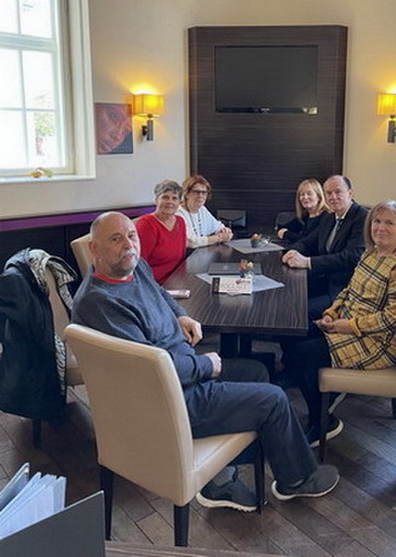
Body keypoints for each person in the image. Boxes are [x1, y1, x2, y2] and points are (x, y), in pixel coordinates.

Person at [72, 212, 339, 511]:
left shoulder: (135, 267)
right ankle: (298, 480)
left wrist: (181, 315)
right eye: (115, 239)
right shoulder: (100, 302)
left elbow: (160, 293)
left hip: (181, 372)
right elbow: (151, 372)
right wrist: (205, 366)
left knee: (256, 371)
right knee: (274, 399)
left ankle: (220, 478)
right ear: (94, 249)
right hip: (168, 400)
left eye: (131, 235)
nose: (128, 244)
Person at [290, 201, 396, 446]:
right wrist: (331, 313)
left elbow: (395, 318)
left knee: (303, 354)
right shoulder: (370, 254)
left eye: (389, 223)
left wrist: (347, 326)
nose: (380, 227)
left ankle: (322, 421)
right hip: (348, 327)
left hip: (377, 344)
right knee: (294, 335)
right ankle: (323, 403)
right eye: (377, 221)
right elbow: (348, 291)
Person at [282, 175, 368, 320]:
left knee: (297, 311)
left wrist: (308, 262)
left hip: (342, 290)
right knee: (287, 293)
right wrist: (292, 251)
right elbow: (308, 242)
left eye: (338, 192)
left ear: (350, 193)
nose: (333, 197)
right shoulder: (329, 217)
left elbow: (351, 257)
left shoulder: (363, 217)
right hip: (323, 280)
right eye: (329, 193)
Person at [135, 180, 187, 284]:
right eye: (165, 197)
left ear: (179, 203)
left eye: (174, 198)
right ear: (156, 200)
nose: (170, 202)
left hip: (177, 280)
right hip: (155, 284)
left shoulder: (180, 222)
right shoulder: (146, 225)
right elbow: (139, 265)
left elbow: (181, 258)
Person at [176, 175, 233, 248]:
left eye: (204, 192)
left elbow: (218, 226)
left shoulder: (202, 209)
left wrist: (225, 231)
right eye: (196, 192)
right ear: (186, 194)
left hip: (203, 252)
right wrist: (219, 237)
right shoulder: (178, 213)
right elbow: (192, 242)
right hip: (188, 254)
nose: (200, 196)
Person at [276, 179, 329, 244]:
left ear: (319, 197)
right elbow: (282, 228)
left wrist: (286, 234)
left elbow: (309, 241)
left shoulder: (327, 217)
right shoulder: (305, 216)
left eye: (309, 194)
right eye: (302, 194)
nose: (305, 197)